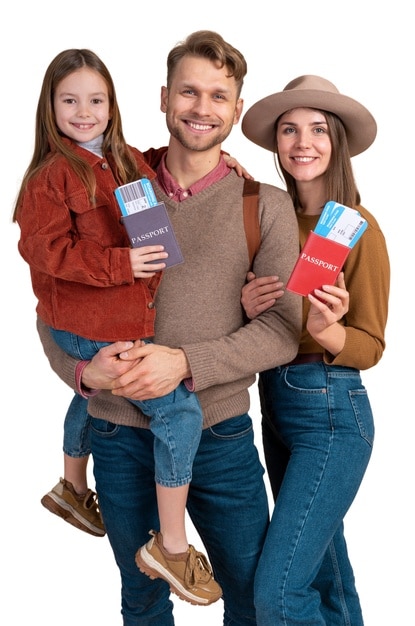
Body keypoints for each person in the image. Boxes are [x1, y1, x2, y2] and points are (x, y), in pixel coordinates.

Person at [35, 30, 302, 625]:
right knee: (143, 597)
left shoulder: (264, 207)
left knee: (254, 595)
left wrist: (184, 363)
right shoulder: (114, 186)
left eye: (217, 96)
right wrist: (82, 371)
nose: (201, 109)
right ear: (162, 98)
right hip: (118, 435)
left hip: (219, 436)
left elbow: (284, 332)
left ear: (235, 108)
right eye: (188, 92)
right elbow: (53, 301)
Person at [13, 46, 230, 604]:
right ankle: (173, 548)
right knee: (179, 412)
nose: (84, 111)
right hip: (87, 321)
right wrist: (119, 264)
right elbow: (42, 251)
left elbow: (158, 160)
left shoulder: (125, 159)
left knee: (97, 391)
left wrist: (224, 165)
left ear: (112, 105)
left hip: (115, 319)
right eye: (69, 100)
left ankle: (70, 486)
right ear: (49, 107)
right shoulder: (50, 176)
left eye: (96, 100)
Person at [240, 75, 390, 625]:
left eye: (318, 130)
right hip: (274, 404)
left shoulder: (357, 228)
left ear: (338, 142)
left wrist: (329, 332)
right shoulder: (264, 219)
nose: (303, 142)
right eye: (289, 130)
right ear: (277, 143)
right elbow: (261, 324)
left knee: (277, 594)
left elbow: (370, 345)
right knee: (327, 581)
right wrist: (250, 305)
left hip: (332, 410)